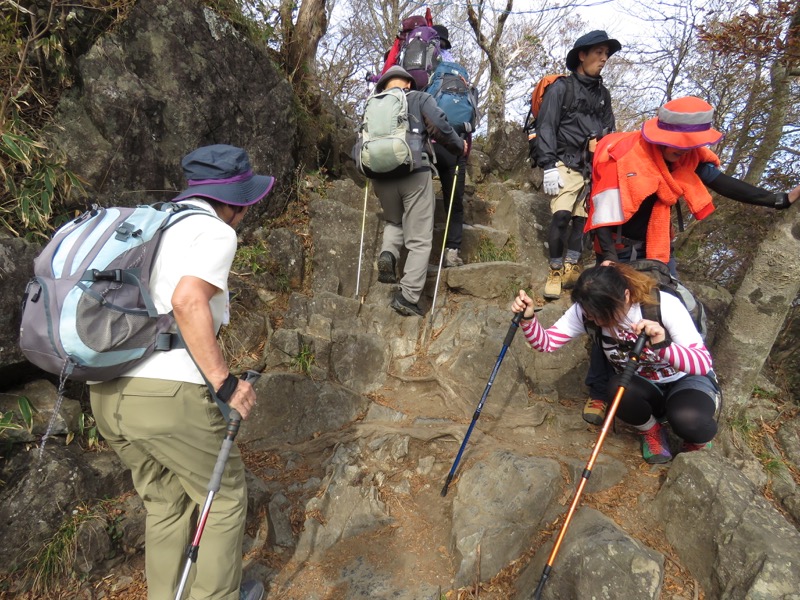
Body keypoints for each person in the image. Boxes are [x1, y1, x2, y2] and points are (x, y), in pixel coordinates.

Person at [89, 145, 272, 600]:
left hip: (105, 392)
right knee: (225, 497)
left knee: (165, 502)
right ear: (233, 201)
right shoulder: (213, 233)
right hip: (166, 396)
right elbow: (188, 301)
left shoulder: (146, 226)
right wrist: (226, 384)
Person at [582, 95, 800, 425]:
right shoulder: (626, 158)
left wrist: (779, 199)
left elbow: (722, 183)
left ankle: (659, 383)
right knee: (610, 316)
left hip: (656, 247)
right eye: (676, 146)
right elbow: (603, 211)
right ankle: (599, 391)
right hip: (615, 242)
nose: (682, 152)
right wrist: (609, 259)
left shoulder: (688, 158)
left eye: (688, 147)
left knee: (665, 309)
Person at [511, 263, 719, 464]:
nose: (599, 321)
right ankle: (651, 430)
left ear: (627, 295)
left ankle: (696, 442)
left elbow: (701, 364)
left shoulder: (662, 305)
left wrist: (663, 346)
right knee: (617, 388)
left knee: (688, 420)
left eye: (606, 314)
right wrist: (528, 319)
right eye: (592, 315)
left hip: (686, 381)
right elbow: (546, 343)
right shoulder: (585, 311)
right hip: (643, 386)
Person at [372, 65, 468, 317]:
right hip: (414, 170)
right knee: (420, 238)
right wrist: (459, 147)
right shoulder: (419, 98)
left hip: (380, 176)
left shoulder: (373, 105)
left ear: (383, 87)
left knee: (395, 220)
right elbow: (440, 125)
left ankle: (389, 254)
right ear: (408, 84)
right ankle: (408, 296)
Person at [534, 30, 621, 300]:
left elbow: (610, 131)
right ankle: (556, 268)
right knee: (561, 216)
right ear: (581, 56)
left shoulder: (603, 94)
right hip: (564, 161)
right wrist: (548, 164)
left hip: (592, 167)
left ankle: (572, 264)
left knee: (582, 221)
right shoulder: (561, 88)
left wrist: (607, 160)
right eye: (598, 52)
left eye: (606, 53)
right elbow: (546, 125)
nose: (604, 58)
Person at [431, 24, 469, 268]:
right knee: (454, 201)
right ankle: (452, 251)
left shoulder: (422, 68)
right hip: (455, 144)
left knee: (417, 201)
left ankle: (416, 250)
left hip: (424, 143)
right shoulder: (458, 71)